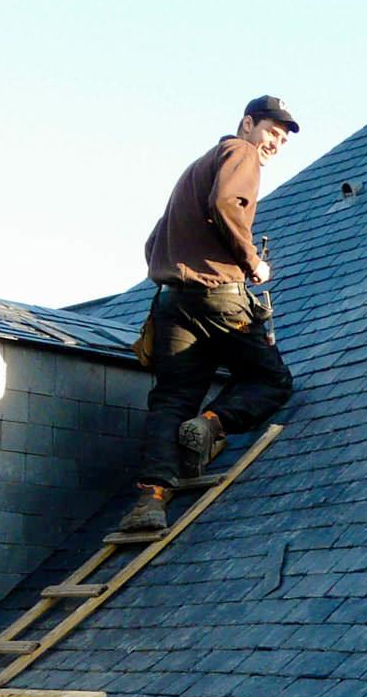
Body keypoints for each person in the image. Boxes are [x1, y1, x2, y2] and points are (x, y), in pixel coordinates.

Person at [118, 96, 298, 531]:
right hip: (220, 297)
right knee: (271, 380)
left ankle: (151, 499)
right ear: (247, 124)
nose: (274, 143)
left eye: (281, 137)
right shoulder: (240, 152)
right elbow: (227, 204)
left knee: (171, 398)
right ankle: (211, 423)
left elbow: (152, 243)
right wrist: (251, 261)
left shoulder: (194, 169)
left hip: (172, 302)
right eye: (270, 131)